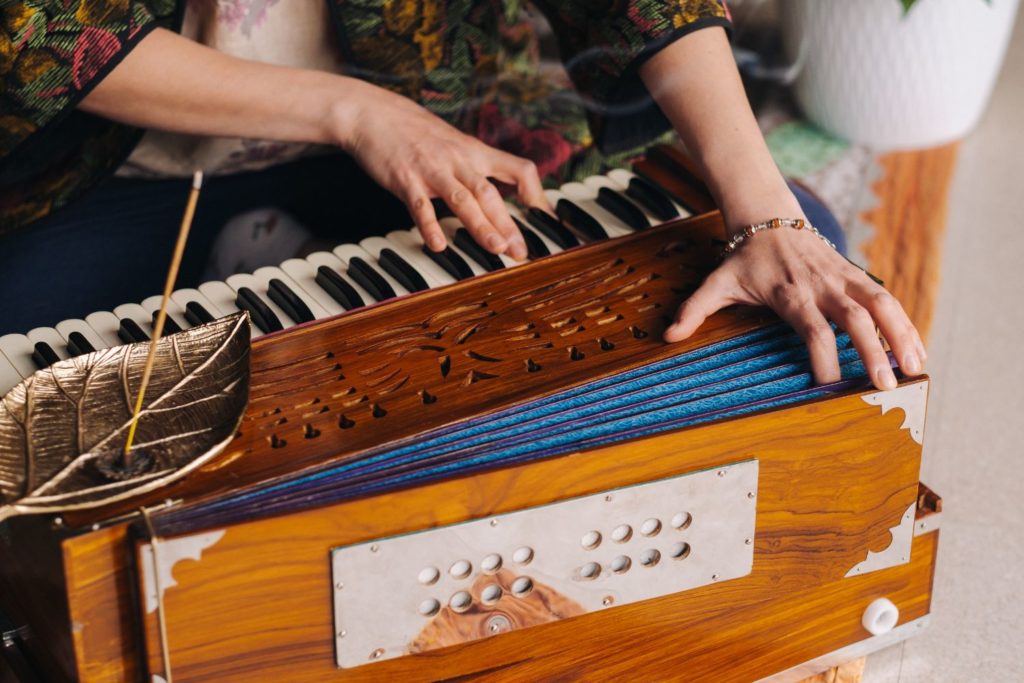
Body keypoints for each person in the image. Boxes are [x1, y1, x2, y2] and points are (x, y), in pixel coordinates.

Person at [0, 0, 925, 390]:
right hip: (123, 165)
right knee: (28, 389)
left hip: (444, 123)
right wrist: (355, 113)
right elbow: (48, 29)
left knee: (787, 300)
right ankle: (270, 254)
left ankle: (278, 259)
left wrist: (765, 216)